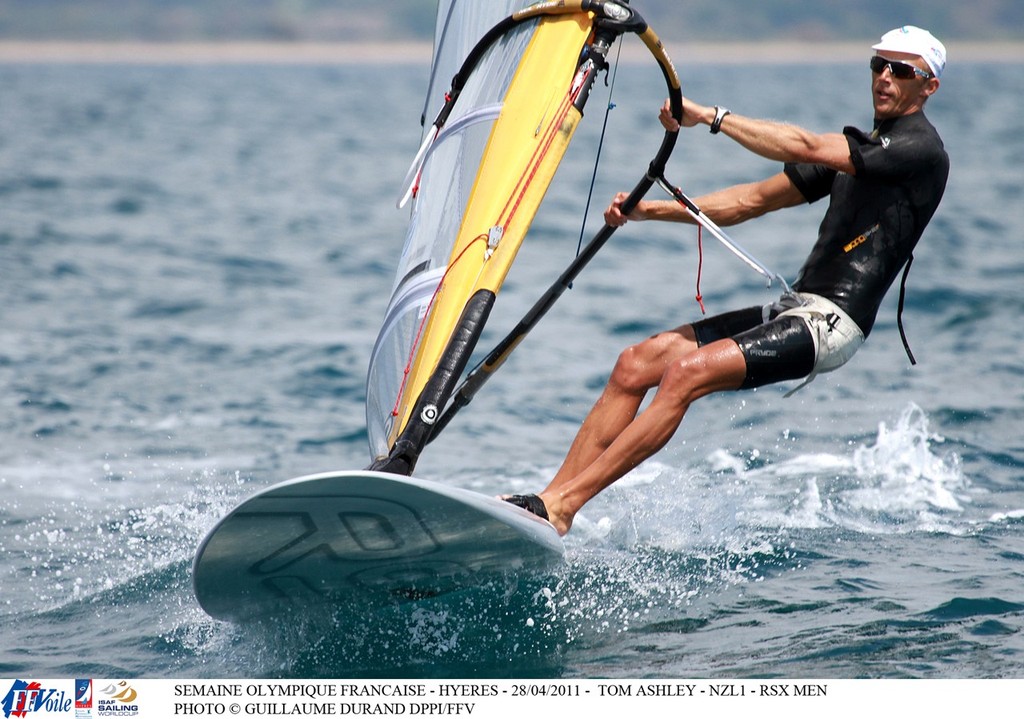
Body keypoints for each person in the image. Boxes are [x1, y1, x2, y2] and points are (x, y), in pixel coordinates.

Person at [503, 26, 950, 536]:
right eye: (879, 65)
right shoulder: (862, 150)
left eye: (902, 71)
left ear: (928, 86)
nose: (885, 77)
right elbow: (747, 202)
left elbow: (805, 143)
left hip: (832, 324)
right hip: (794, 308)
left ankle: (564, 505)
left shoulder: (918, 151)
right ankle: (548, 503)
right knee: (636, 364)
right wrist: (647, 211)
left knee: (684, 375)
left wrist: (710, 117)